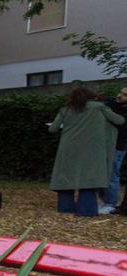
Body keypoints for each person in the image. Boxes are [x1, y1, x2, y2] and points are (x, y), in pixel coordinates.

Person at [48, 87, 125, 216]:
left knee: (66, 178)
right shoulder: (99, 107)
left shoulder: (66, 109)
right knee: (89, 179)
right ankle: (86, 211)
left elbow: (52, 129)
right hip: (92, 149)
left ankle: (65, 208)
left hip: (68, 148)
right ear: (91, 95)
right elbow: (119, 120)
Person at [100, 86, 127, 214]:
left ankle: (111, 203)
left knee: (112, 174)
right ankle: (105, 199)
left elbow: (119, 122)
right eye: (120, 92)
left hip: (118, 146)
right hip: (102, 144)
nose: (120, 95)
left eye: (125, 95)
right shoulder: (111, 102)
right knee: (100, 172)